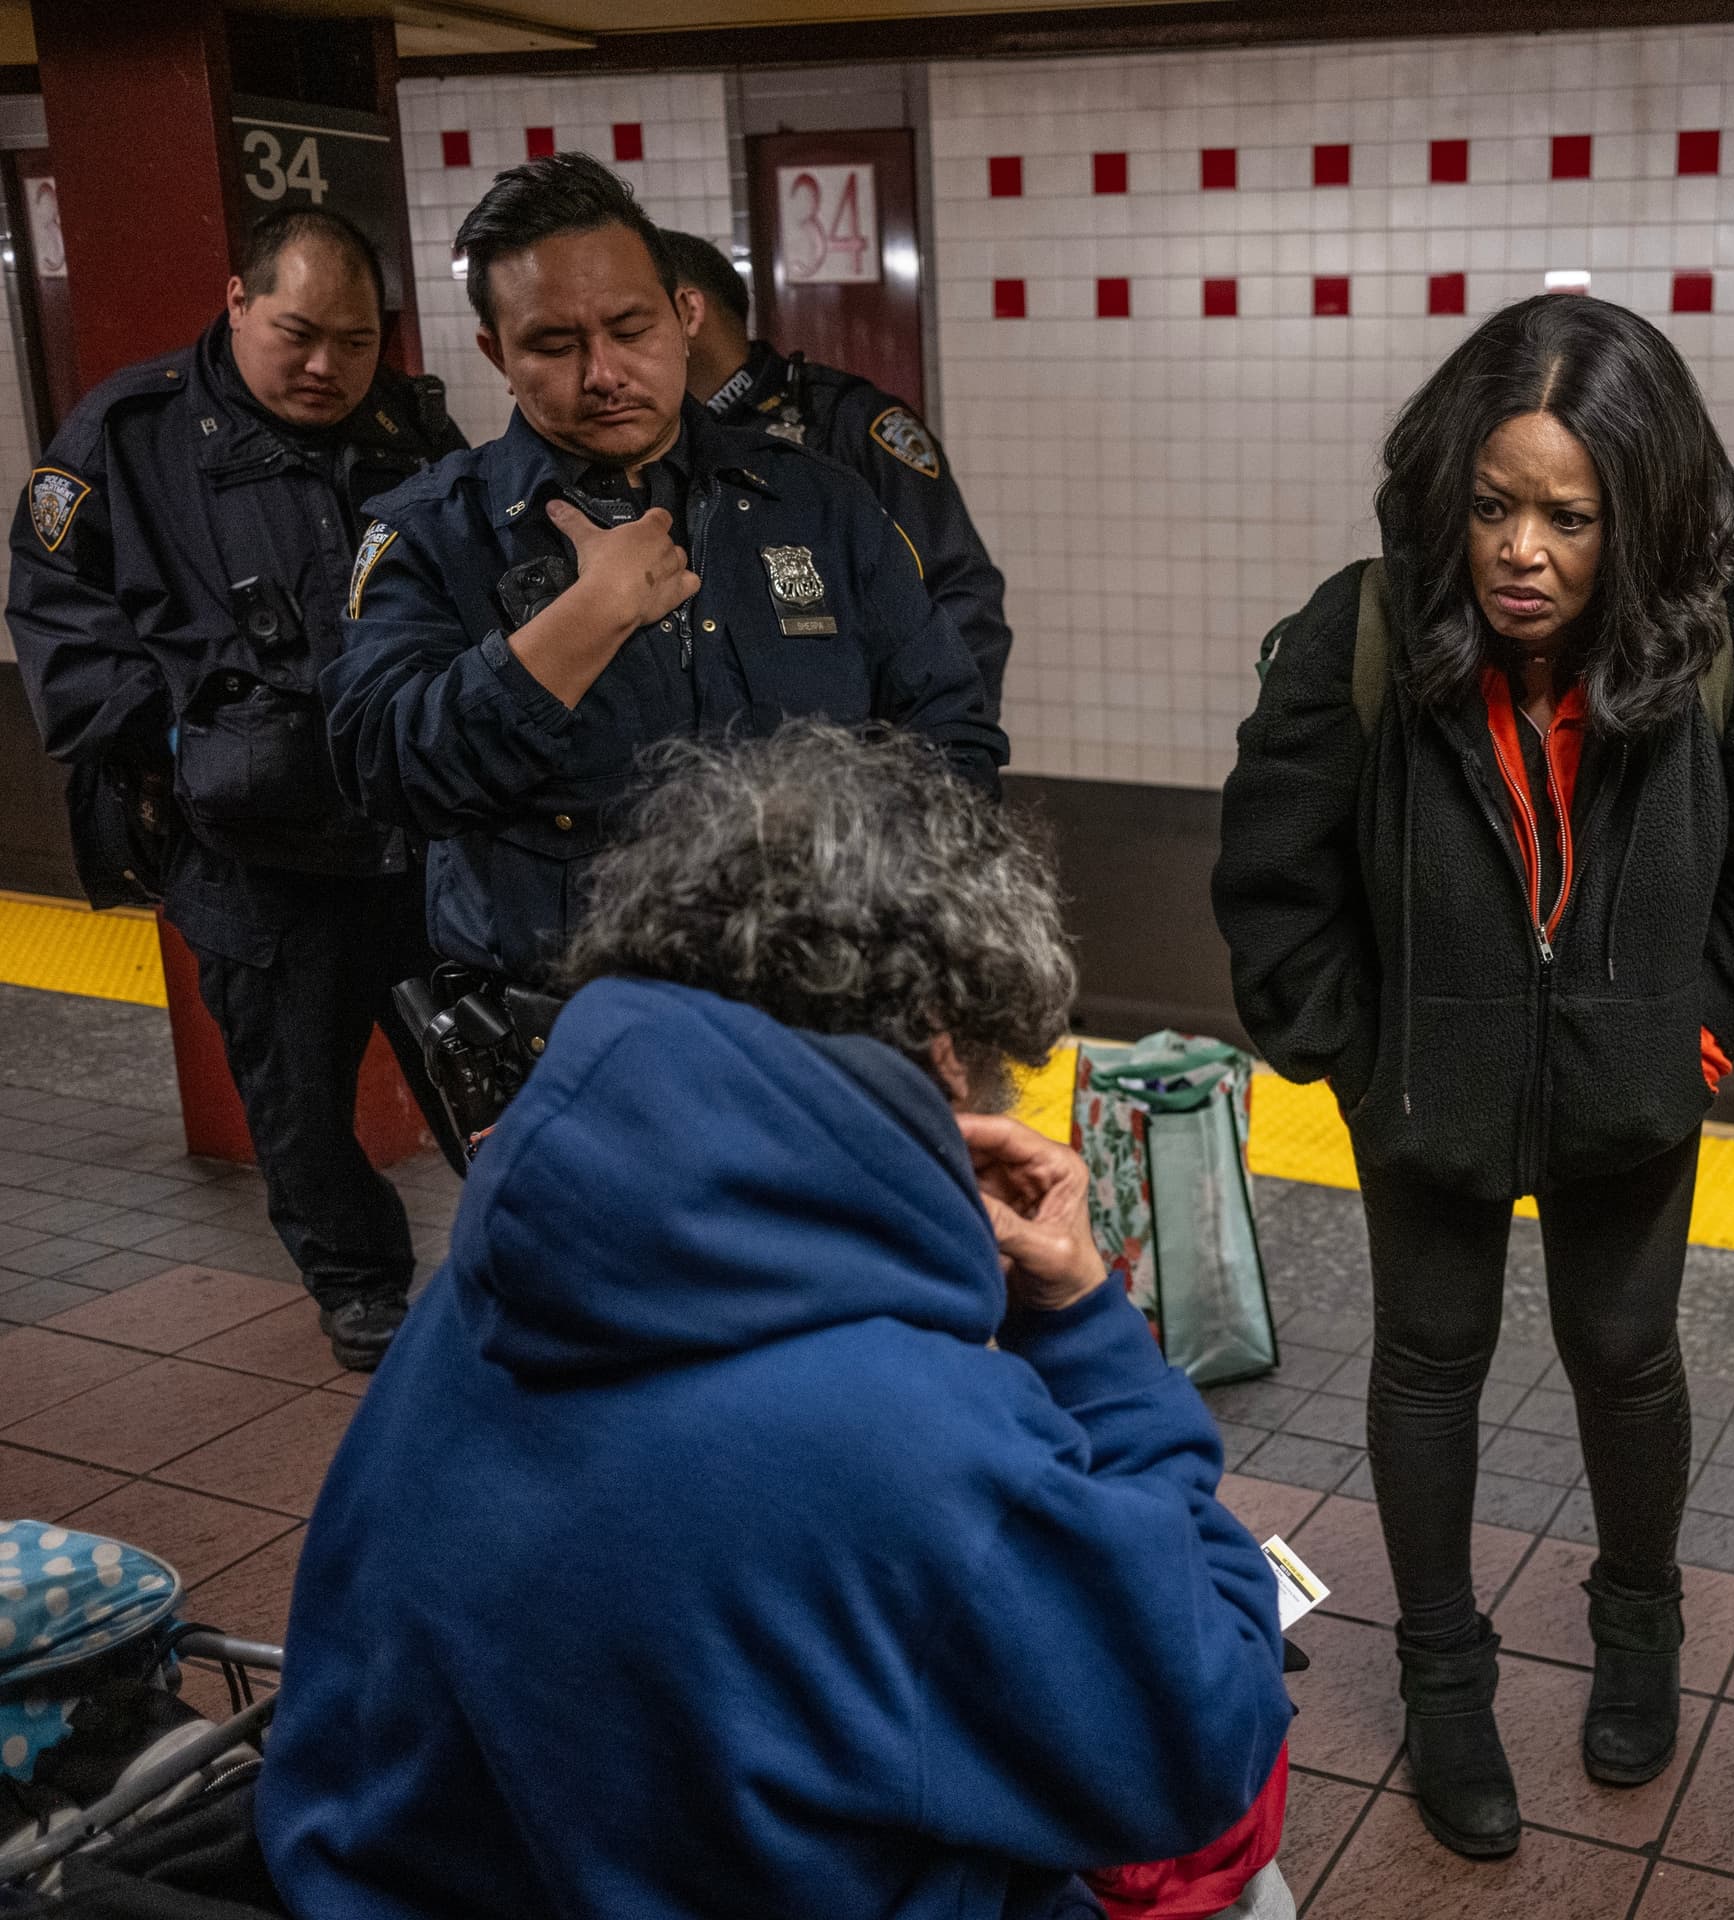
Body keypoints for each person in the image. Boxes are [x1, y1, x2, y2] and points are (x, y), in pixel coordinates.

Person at [253, 722, 1293, 1920]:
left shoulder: (504, 1262)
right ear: (945, 1057)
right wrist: (1084, 1329)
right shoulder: (906, 1440)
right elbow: (1198, 1737)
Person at [1213, 294, 1734, 1860]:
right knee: (1428, 1361)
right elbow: (1273, 881)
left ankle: (1641, 1631)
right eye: (1494, 506)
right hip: (1427, 1095)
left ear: (1640, 509)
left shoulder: (1729, 640)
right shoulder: (1365, 628)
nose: (1523, 550)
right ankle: (1445, 1682)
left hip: (1631, 1100)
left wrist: (1689, 1040)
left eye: (1571, 516)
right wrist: (1361, 1058)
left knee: (1626, 1358)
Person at [323, 154, 1005, 997]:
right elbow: (387, 769)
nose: (602, 373)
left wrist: (899, 916)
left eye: (630, 328)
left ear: (684, 316)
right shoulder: (431, 529)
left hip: (817, 1007)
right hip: (578, 1029)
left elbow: (948, 724)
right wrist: (583, 621)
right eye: (554, 344)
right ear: (496, 352)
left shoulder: (814, 499)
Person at [6, 208, 468, 1373]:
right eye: (299, 334)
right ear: (237, 303)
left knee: (481, 1066)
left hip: (412, 835)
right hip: (250, 853)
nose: (327, 367)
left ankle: (543, 1262)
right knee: (299, 1099)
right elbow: (58, 614)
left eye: (355, 342)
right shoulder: (127, 434)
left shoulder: (415, 431)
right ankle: (360, 1291)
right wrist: (178, 742)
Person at [665, 227, 1013, 718]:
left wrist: (943, 768)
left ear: (687, 313)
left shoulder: (848, 423)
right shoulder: (662, 444)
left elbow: (960, 593)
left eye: (632, 319)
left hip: (857, 752)